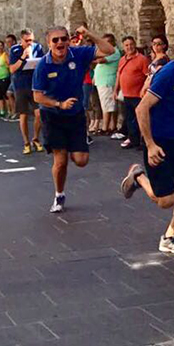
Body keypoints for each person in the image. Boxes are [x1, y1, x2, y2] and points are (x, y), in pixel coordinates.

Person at [120, 27, 174, 255]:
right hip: (160, 142)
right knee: (166, 200)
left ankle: (169, 236)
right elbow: (142, 108)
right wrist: (150, 145)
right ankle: (139, 177)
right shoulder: (167, 74)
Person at [32, 26, 114, 213]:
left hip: (75, 115)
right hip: (53, 115)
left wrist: (90, 35)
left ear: (69, 40)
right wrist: (59, 104)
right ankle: (59, 195)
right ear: (49, 43)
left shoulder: (79, 54)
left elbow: (110, 50)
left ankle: (69, 148)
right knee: (60, 162)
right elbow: (37, 96)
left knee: (81, 160)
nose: (60, 43)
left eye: (63, 39)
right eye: (55, 40)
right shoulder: (43, 65)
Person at [10, 29, 45, 154]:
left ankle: (35, 138)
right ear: (21, 40)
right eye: (27, 41)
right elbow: (12, 69)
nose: (30, 43)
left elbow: (44, 62)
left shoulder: (38, 48)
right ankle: (26, 142)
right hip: (20, 85)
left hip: (35, 85)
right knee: (23, 115)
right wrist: (23, 57)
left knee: (39, 113)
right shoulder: (14, 50)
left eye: (31, 40)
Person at [113, 36, 150, 150]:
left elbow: (148, 76)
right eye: (127, 45)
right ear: (123, 47)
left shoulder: (142, 59)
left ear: (135, 44)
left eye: (131, 44)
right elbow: (119, 75)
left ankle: (143, 141)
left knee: (140, 118)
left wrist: (144, 90)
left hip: (138, 94)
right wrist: (116, 90)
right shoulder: (122, 59)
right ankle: (133, 140)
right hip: (126, 94)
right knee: (129, 118)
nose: (129, 47)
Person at [93, 33, 121, 135]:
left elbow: (100, 61)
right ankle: (112, 126)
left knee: (107, 106)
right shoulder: (107, 52)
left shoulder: (114, 52)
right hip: (102, 81)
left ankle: (105, 127)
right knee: (110, 105)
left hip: (107, 81)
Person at [5, 34, 18, 119]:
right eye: (7, 42)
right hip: (12, 75)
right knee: (9, 93)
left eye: (9, 41)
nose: (8, 43)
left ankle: (16, 112)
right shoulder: (8, 51)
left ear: (14, 41)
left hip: (17, 75)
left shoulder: (17, 50)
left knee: (14, 94)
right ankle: (13, 111)